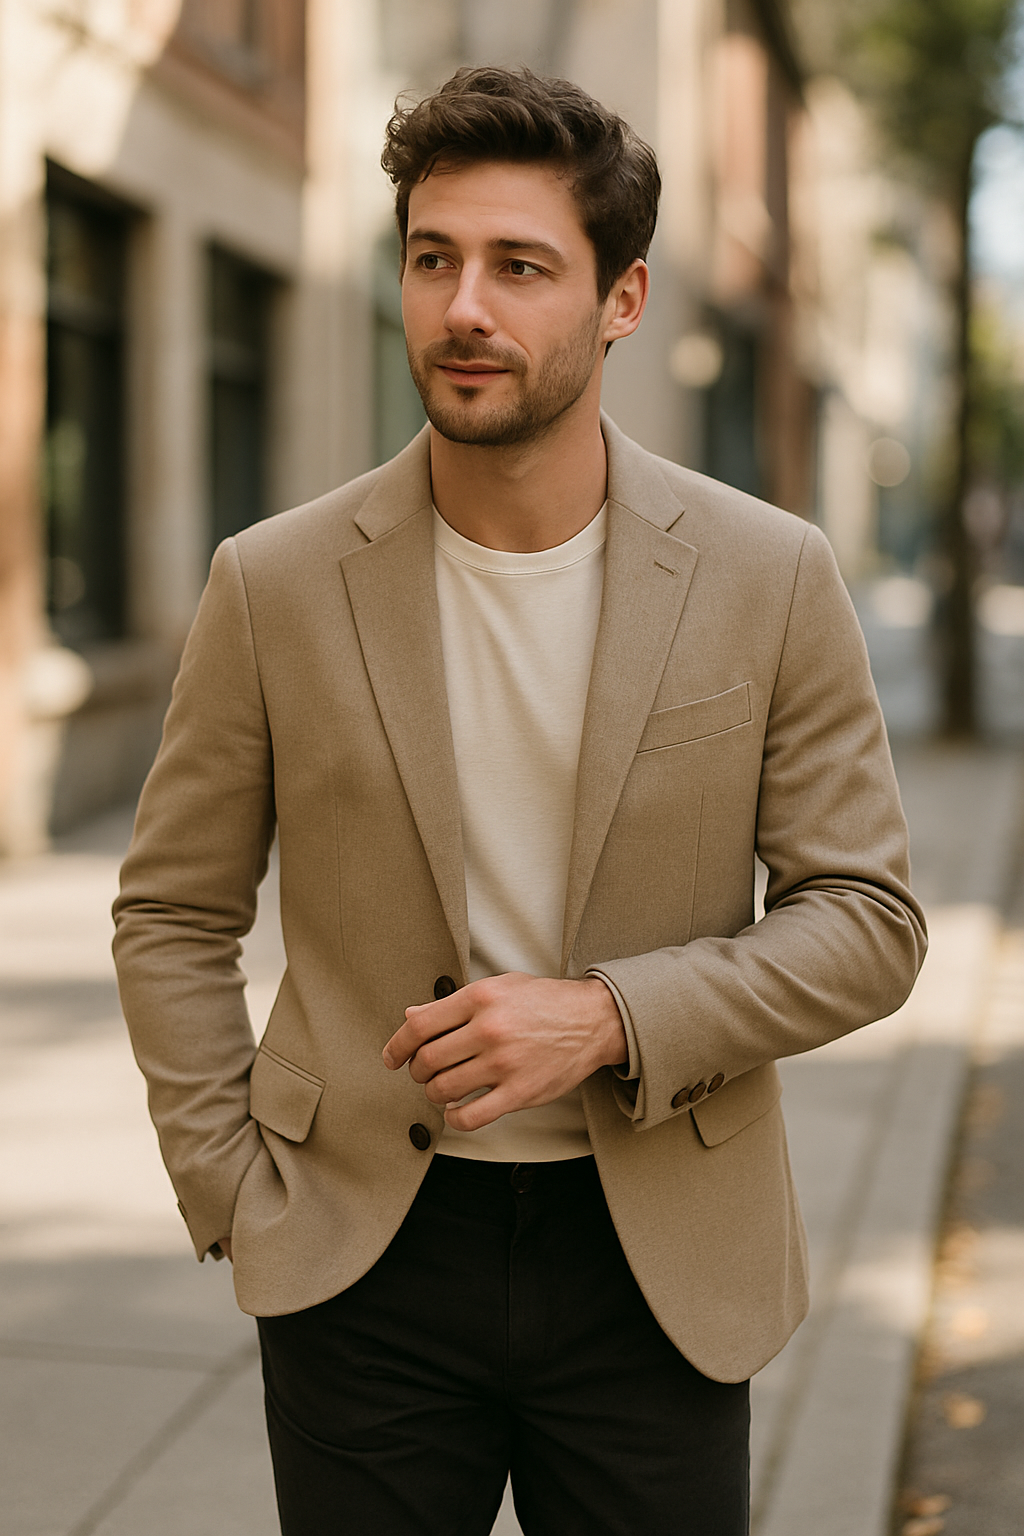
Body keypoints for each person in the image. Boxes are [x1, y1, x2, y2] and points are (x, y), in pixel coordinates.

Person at [113, 66, 927, 1536]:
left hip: (660, 1260)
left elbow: (867, 920)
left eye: (519, 266)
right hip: (360, 1253)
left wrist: (614, 1014)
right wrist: (229, 1185)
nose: (462, 306)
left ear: (621, 301)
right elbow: (172, 910)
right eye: (433, 260)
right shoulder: (273, 584)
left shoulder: (769, 574)